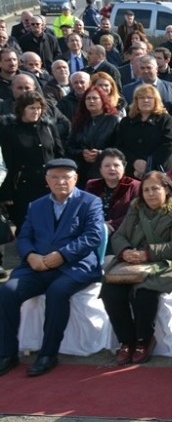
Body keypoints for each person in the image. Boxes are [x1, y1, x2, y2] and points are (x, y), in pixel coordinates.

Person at [0, 159, 104, 377]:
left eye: (66, 176)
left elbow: (93, 236)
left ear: (75, 178)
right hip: (36, 267)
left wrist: (63, 255)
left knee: (57, 292)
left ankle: (48, 354)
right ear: (47, 180)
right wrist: (30, 256)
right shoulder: (36, 205)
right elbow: (24, 237)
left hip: (75, 266)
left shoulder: (90, 202)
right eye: (54, 177)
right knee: (6, 292)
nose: (61, 181)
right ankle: (7, 353)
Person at [102, 171, 172, 366]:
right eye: (146, 190)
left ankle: (144, 339)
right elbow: (118, 236)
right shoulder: (136, 209)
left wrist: (148, 253)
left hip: (165, 262)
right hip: (133, 261)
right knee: (111, 291)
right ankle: (126, 340)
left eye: (155, 188)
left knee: (143, 293)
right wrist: (125, 251)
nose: (151, 193)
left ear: (166, 189)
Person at [0, 91, 66, 228]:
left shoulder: (48, 127)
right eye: (31, 108)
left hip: (50, 186)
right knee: (27, 227)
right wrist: (6, 193)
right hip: (24, 188)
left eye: (38, 108)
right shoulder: (10, 130)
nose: (36, 111)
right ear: (22, 109)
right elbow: (6, 163)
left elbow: (59, 155)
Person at [114, 84, 172, 178]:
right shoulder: (126, 122)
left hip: (159, 171)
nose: (145, 100)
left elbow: (169, 144)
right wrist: (134, 162)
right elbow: (119, 146)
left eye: (149, 97)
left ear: (156, 100)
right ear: (136, 101)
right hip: (131, 172)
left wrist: (148, 163)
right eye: (141, 97)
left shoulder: (166, 120)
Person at [85, 148, 142, 233]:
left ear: (124, 166)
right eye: (107, 166)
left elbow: (135, 214)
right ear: (100, 169)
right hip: (94, 231)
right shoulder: (92, 185)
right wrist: (100, 226)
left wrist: (111, 226)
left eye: (116, 165)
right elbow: (85, 211)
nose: (112, 168)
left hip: (124, 232)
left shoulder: (135, 186)